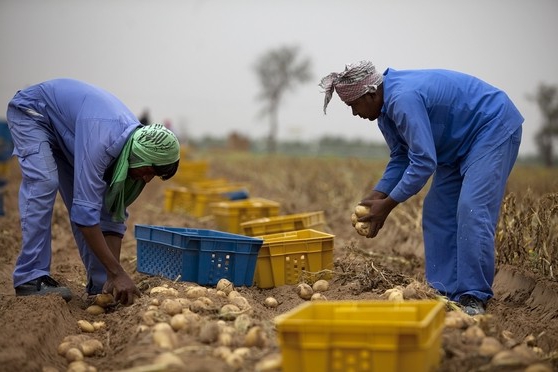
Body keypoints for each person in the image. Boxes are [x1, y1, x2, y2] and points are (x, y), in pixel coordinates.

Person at [320, 61, 523, 316]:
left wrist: (388, 206)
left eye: (353, 106)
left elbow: (424, 162)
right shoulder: (384, 113)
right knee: (437, 211)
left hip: (490, 127)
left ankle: (473, 296)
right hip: (455, 145)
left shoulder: (402, 99)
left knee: (471, 208)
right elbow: (401, 157)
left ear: (370, 94)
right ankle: (444, 291)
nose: (354, 113)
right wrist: (376, 195)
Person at [6, 78, 181, 305]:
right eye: (149, 170)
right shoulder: (103, 141)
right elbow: (85, 215)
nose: (147, 179)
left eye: (154, 176)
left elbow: (113, 215)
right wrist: (118, 273)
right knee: (44, 182)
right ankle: (30, 276)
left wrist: (111, 277)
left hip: (68, 133)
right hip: (34, 113)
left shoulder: (131, 152)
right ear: (140, 155)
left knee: (103, 206)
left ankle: (100, 287)